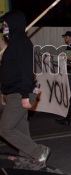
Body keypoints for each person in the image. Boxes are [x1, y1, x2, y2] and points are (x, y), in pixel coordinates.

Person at [0, 10, 50, 164]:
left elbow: (27, 71)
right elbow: (11, 71)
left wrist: (25, 94)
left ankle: (39, 151)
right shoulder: (15, 43)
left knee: (5, 129)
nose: (3, 27)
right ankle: (27, 160)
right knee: (21, 130)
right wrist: (4, 93)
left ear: (14, 24)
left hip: (20, 93)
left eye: (5, 24)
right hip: (13, 93)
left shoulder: (21, 42)